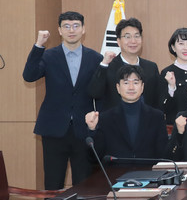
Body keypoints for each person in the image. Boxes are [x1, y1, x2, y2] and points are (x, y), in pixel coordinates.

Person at [23, 11, 102, 189]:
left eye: (75, 26)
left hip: (84, 130)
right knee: (53, 184)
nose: (71, 30)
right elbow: (29, 75)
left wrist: (96, 125)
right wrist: (38, 45)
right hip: (54, 129)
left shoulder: (96, 58)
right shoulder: (48, 56)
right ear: (59, 30)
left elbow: (100, 93)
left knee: (84, 185)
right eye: (66, 26)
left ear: (83, 29)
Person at [84, 64, 168, 160]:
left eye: (135, 82)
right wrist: (92, 129)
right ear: (118, 87)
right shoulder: (105, 118)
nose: (131, 87)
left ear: (142, 87)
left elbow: (163, 154)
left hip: (147, 169)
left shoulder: (157, 117)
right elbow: (94, 158)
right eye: (126, 83)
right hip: (116, 169)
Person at [88, 17, 161, 111]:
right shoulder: (108, 66)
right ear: (118, 41)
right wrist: (104, 65)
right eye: (127, 37)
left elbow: (157, 101)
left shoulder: (151, 67)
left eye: (137, 36)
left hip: (145, 119)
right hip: (114, 119)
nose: (133, 41)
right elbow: (94, 93)